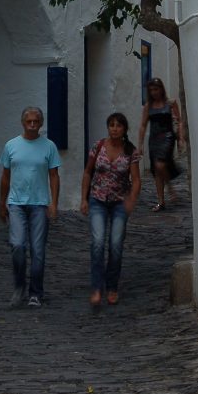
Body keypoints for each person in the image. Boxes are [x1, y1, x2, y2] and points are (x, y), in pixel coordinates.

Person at [0, 106, 61, 309]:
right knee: (17, 245)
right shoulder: (11, 145)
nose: (32, 125)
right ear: (23, 123)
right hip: (16, 203)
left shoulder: (49, 146)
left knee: (38, 250)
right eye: (29, 122)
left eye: (36, 122)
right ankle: (19, 286)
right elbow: (6, 176)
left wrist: (54, 203)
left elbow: (54, 175)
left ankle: (36, 291)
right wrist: (2, 202)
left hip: (39, 203)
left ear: (41, 124)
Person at [80, 113, 141, 307]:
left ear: (124, 129)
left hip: (119, 203)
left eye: (118, 126)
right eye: (111, 125)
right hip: (97, 200)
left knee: (115, 245)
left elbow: (137, 180)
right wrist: (83, 198)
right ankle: (97, 287)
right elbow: (88, 172)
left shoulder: (131, 151)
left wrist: (132, 199)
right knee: (97, 242)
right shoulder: (98, 147)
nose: (114, 129)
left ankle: (112, 286)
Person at [138, 77, 185, 212]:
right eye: (151, 90)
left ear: (161, 89)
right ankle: (161, 202)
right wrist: (140, 144)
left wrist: (180, 137)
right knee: (157, 171)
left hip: (167, 137)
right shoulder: (148, 106)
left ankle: (170, 188)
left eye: (156, 89)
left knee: (161, 164)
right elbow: (143, 125)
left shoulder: (170, 103)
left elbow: (179, 121)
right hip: (154, 139)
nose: (154, 92)